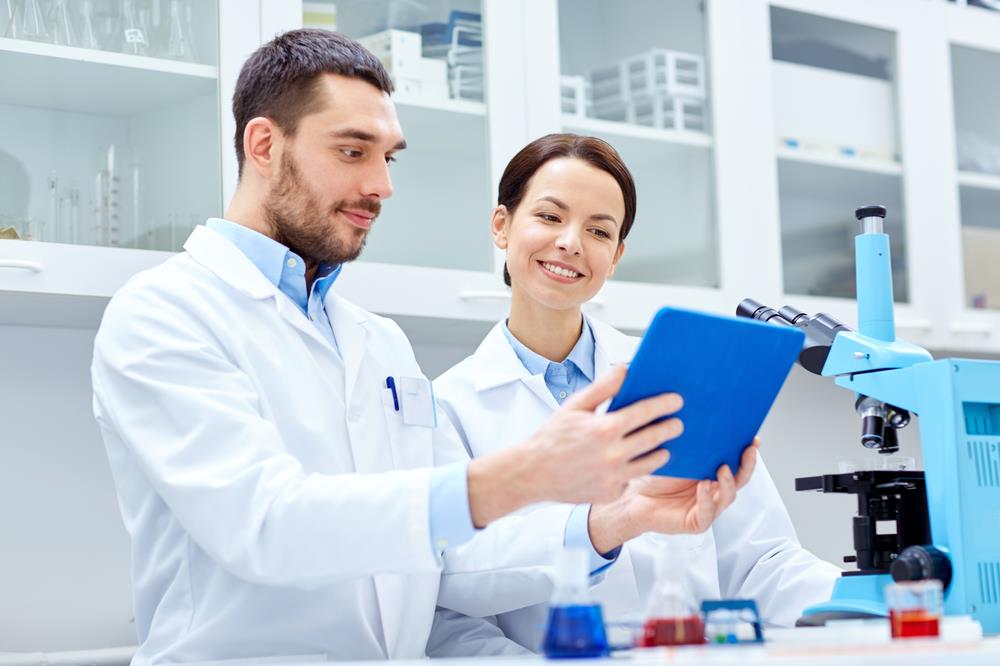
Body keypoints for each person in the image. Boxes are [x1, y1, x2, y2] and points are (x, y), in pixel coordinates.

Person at [90, 31, 756, 663]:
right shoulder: (164, 313)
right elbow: (266, 524)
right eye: (354, 151)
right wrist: (527, 472)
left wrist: (610, 521)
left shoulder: (378, 341)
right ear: (264, 146)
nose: (383, 185)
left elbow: (446, 557)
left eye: (389, 157)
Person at [433, 133, 843, 652]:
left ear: (617, 254)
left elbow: (761, 561)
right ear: (501, 225)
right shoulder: (448, 405)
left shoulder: (685, 375)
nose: (571, 242)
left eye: (599, 230)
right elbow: (449, 599)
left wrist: (864, 601)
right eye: (550, 217)